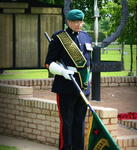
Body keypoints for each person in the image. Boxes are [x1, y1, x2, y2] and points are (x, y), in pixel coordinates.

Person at [45, 9, 93, 150]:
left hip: (83, 86)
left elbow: (88, 63)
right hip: (66, 84)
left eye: (80, 21)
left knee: (79, 121)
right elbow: (48, 63)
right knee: (67, 122)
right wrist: (62, 71)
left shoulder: (86, 37)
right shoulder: (60, 37)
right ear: (68, 22)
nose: (78, 24)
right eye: (75, 21)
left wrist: (88, 78)